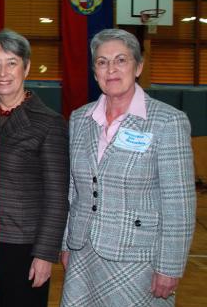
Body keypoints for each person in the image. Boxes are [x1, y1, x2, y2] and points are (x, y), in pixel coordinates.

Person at [60, 29, 196, 306]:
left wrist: (169, 266)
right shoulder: (79, 119)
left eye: (121, 60)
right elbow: (73, 191)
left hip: (138, 258)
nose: (111, 69)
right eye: (102, 61)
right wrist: (66, 243)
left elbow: (179, 203)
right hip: (83, 253)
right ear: (94, 71)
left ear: (138, 67)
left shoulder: (168, 122)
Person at [0, 29, 69, 307]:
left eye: (11, 62)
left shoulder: (50, 123)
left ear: (26, 67)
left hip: (23, 248)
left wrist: (44, 254)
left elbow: (57, 196)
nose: (2, 72)